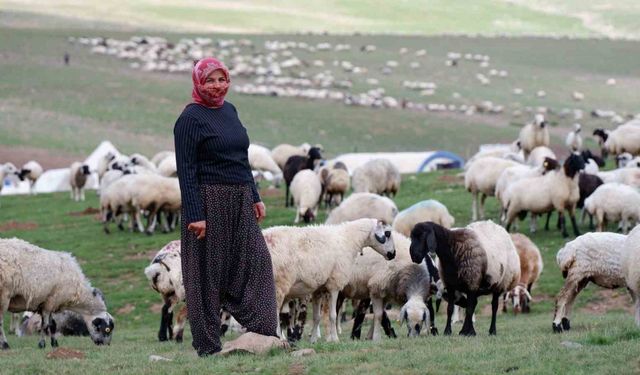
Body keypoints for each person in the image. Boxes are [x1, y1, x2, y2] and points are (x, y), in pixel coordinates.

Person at [173, 57, 278, 357]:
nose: (217, 86)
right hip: (208, 202)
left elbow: (241, 160)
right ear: (198, 83)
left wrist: (255, 195)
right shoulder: (190, 119)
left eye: (222, 80)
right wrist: (195, 214)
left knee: (257, 263)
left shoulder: (230, 111)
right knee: (206, 274)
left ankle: (262, 332)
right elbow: (187, 169)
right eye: (210, 80)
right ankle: (207, 346)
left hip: (240, 199)